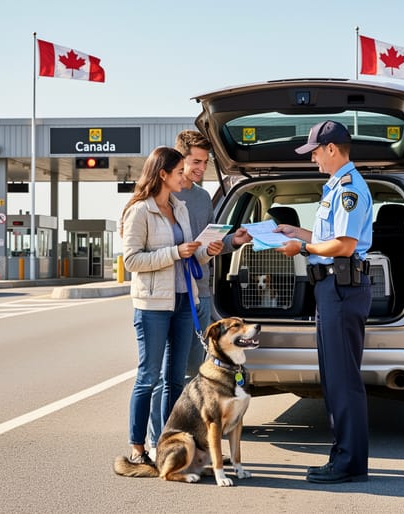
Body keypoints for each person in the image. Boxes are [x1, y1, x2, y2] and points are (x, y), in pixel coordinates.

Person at [274, 120, 373, 484]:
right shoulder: (335, 188)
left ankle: (348, 463)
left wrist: (302, 247)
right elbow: (327, 238)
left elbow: (344, 246)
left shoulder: (348, 188)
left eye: (315, 151)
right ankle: (344, 457)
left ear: (332, 149)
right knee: (335, 379)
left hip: (341, 289)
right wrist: (295, 232)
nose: (313, 158)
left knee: (343, 380)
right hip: (332, 290)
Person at [146, 129, 251, 452]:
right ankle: (157, 440)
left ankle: (192, 440)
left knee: (194, 372)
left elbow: (209, 245)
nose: (199, 169)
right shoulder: (161, 197)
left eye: (205, 163)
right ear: (179, 160)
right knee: (166, 376)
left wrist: (232, 241)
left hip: (200, 292)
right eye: (194, 162)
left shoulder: (204, 197)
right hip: (168, 294)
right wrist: (181, 250)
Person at [120, 146, 224, 464]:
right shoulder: (139, 211)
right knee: (148, 376)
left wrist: (208, 251)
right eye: (180, 171)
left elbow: (189, 255)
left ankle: (168, 441)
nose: (186, 176)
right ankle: (138, 448)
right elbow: (131, 260)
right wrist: (175, 252)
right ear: (162, 174)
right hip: (152, 305)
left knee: (176, 379)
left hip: (182, 301)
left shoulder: (178, 207)